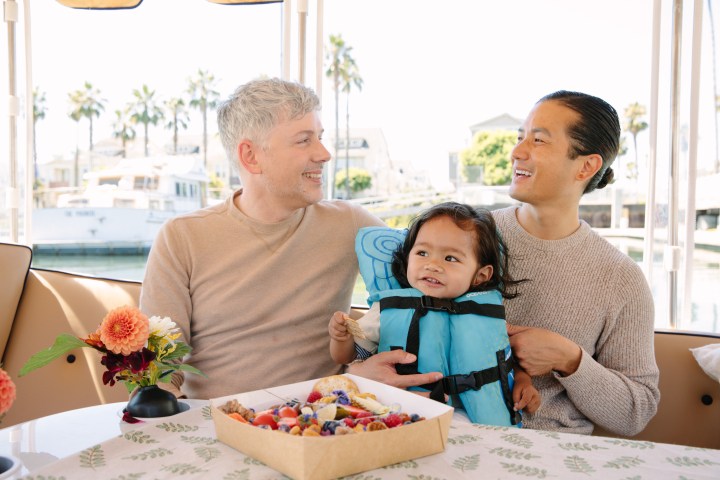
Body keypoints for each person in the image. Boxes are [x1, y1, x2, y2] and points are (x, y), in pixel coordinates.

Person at [139, 77, 439, 399]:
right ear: (251, 156)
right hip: (218, 426)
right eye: (304, 141)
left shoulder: (351, 223)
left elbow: (441, 265)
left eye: (321, 138)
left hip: (324, 419)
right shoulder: (181, 237)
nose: (324, 154)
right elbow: (159, 367)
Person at [493, 90, 660, 435]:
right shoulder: (462, 235)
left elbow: (636, 412)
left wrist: (570, 359)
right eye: (520, 137)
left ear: (586, 165)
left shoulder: (621, 278)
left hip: (555, 456)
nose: (517, 152)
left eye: (538, 140)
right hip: (449, 434)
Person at [329, 202, 541, 425]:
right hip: (410, 418)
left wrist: (522, 380)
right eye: (422, 253)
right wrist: (340, 338)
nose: (432, 265)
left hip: (477, 427)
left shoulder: (484, 312)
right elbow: (348, 357)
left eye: (450, 258)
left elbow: (502, 358)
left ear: (481, 275)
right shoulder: (387, 310)